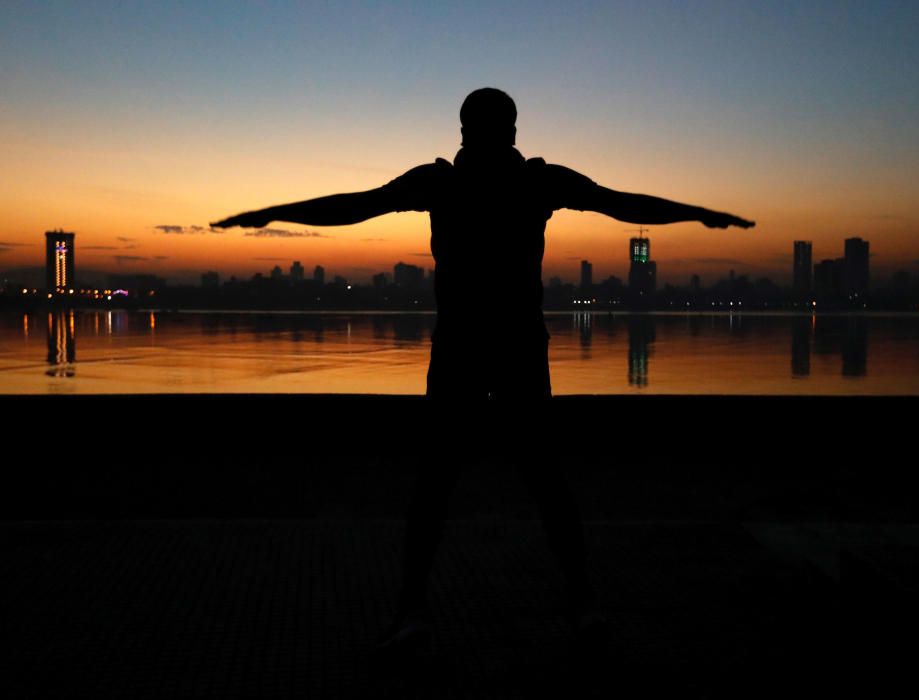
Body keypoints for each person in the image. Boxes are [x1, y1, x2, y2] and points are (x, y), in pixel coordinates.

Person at [213, 87, 754, 657]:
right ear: (510, 131)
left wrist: (271, 212)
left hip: (479, 348)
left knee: (455, 482)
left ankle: (433, 610)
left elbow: (353, 205)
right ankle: (570, 604)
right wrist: (699, 214)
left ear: (466, 130)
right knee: (521, 480)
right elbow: (624, 204)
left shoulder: (455, 183)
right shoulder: (513, 182)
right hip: (499, 348)